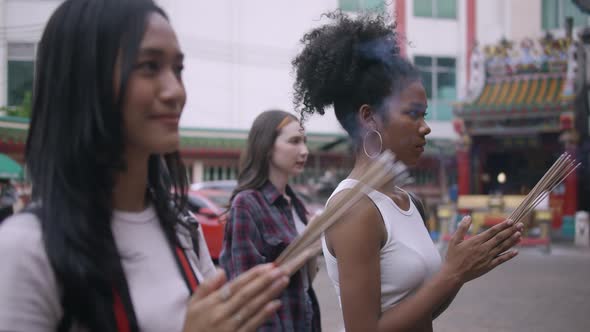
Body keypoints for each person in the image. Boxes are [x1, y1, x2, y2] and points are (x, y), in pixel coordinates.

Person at [0, 1, 289, 331]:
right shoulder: (26, 249)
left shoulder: (182, 230)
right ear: (84, 78)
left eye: (178, 70)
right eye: (150, 67)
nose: (175, 91)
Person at [292, 12, 524, 332]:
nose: (426, 128)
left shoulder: (410, 202)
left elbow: (421, 308)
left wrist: (461, 270)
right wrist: (451, 273)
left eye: (424, 114)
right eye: (413, 115)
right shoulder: (354, 209)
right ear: (369, 118)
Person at [220, 110, 322, 331]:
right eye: (294, 141)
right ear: (267, 147)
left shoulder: (296, 204)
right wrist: (304, 247)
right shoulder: (246, 205)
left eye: (304, 142)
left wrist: (313, 245)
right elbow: (248, 297)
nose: (304, 151)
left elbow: (304, 283)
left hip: (304, 319)